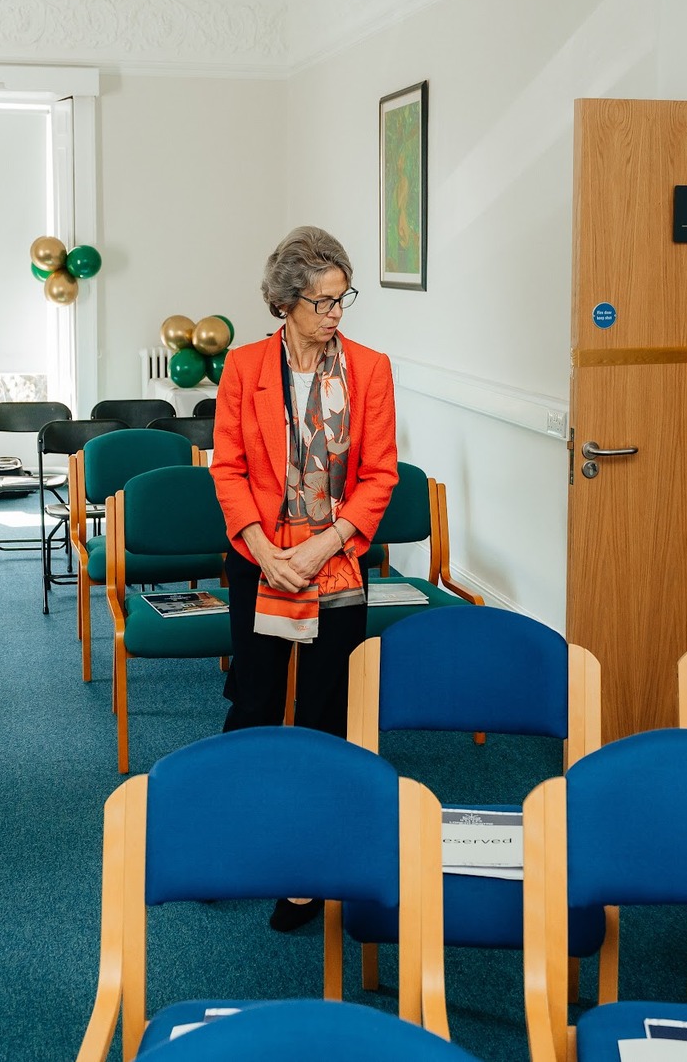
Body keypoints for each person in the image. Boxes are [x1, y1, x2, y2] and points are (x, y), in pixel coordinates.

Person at [210, 226, 399, 930]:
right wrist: (263, 547)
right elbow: (228, 468)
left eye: (343, 297)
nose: (336, 312)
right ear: (285, 303)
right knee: (255, 702)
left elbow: (380, 475)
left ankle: (309, 865)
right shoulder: (244, 368)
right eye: (322, 301)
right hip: (260, 557)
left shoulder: (371, 370)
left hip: (336, 559)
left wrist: (324, 545)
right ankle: (232, 838)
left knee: (325, 712)